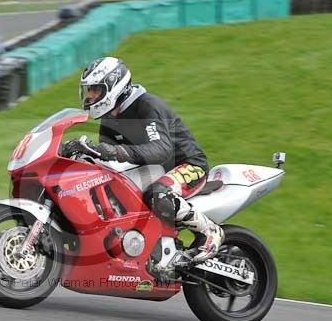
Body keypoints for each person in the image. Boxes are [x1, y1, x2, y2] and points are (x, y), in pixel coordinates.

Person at [64, 56, 224, 263]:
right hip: (153, 169)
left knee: (158, 194)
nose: (90, 96)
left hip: (187, 165)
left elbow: (161, 149)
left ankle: (210, 231)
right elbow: (108, 160)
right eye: (90, 91)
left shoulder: (147, 105)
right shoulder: (110, 117)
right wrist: (83, 153)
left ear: (114, 85)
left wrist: (118, 152)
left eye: (96, 90)